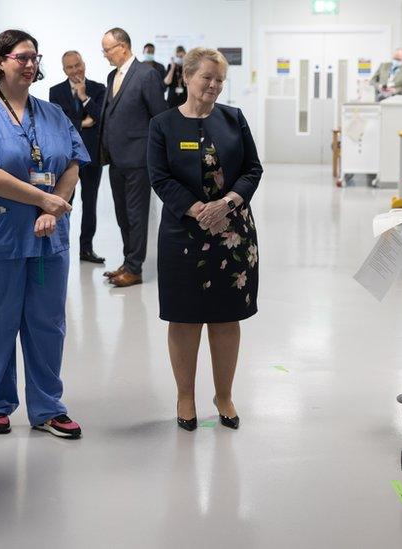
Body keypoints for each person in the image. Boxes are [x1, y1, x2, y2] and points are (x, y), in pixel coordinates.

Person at [0, 29, 86, 439]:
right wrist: (41, 201)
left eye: (35, 58)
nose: (30, 65)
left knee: (47, 322)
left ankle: (48, 406)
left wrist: (57, 205)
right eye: (21, 57)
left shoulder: (52, 114)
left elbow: (72, 164)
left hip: (47, 238)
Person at [147, 48, 262, 431]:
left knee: (226, 318)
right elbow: (160, 177)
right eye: (206, 78)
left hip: (232, 233)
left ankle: (224, 394)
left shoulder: (234, 119)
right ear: (186, 78)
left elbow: (252, 168)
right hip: (184, 233)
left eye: (219, 80)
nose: (213, 86)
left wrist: (226, 204)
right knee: (184, 318)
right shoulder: (163, 125)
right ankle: (185, 395)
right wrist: (199, 209)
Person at [99, 27, 169, 287]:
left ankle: (135, 268)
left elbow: (159, 117)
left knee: (136, 215)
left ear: (123, 47)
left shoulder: (146, 75)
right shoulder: (111, 76)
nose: (104, 55)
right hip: (115, 159)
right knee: (122, 214)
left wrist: (157, 155)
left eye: (107, 50)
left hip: (138, 159)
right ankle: (129, 261)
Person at [49, 51, 107, 264]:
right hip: (67, 158)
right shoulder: (55, 92)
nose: (75, 70)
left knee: (90, 203)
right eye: (70, 67)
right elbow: (58, 123)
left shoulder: (98, 89)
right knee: (63, 202)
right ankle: (60, 246)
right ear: (64, 70)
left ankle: (86, 249)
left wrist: (84, 97)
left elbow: (102, 118)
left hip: (92, 156)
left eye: (77, 65)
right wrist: (84, 123)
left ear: (84, 64)